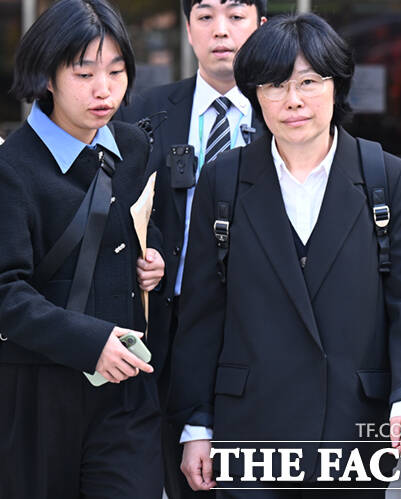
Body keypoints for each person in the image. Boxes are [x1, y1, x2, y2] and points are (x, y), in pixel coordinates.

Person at [168, 12, 401, 497]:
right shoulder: (224, 180)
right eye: (276, 85)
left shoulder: (385, 177)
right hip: (249, 425)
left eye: (309, 82)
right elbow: (202, 311)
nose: (293, 100)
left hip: (352, 426)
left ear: (336, 87)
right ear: (255, 95)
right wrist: (196, 423)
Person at [0, 0, 165, 497]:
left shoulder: (134, 147)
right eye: (84, 73)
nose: (104, 89)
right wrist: (91, 343)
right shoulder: (12, 168)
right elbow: (6, 291)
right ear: (47, 76)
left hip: (127, 391)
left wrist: (154, 258)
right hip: (37, 395)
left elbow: (144, 227)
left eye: (116, 71)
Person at [114, 1, 266, 496]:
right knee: (175, 474)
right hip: (167, 327)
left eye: (236, 16)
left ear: (261, 27)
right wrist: (147, 252)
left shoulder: (286, 111)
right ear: (187, 29)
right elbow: (123, 206)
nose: (221, 31)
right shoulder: (145, 111)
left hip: (261, 327)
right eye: (205, 16)